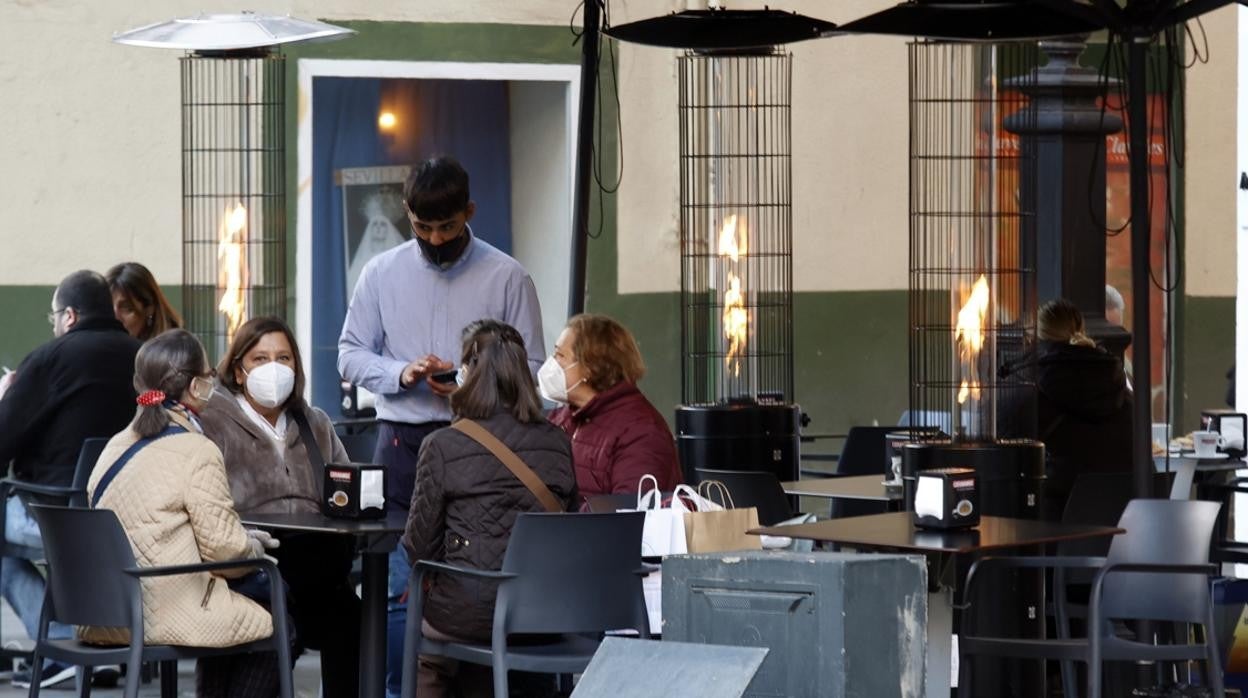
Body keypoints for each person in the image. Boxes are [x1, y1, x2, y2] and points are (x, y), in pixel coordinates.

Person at [338, 156, 545, 697]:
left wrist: (474, 386)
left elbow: (537, 369)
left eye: (446, 227)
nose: (434, 238)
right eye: (422, 226)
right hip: (403, 447)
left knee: (475, 586)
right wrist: (400, 372)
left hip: (485, 448)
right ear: (406, 213)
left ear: (469, 212)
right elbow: (349, 354)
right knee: (399, 590)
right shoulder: (380, 273)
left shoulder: (507, 276)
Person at [85, 329, 280, 697]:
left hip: (102, 612)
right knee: (278, 609)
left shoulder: (112, 447)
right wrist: (253, 547)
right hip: (165, 611)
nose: (211, 381)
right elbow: (226, 555)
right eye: (207, 374)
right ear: (194, 387)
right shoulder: (196, 450)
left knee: (240, 610)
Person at [402, 319, 576, 697]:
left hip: (472, 612)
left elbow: (419, 547)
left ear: (467, 373)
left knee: (432, 646)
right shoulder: (558, 441)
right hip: (547, 613)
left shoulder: (443, 445)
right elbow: (569, 523)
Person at [199, 316, 360, 697]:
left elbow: (346, 487)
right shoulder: (211, 424)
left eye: (284, 358)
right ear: (239, 371)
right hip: (251, 568)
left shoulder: (315, 423)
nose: (273, 368)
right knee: (276, 631)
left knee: (357, 622)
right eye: (260, 359)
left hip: (317, 565)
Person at [0, 270, 140, 689]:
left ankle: (64, 647)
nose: (55, 325)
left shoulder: (49, 359)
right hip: (127, 522)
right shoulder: (142, 356)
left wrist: (10, 394)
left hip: (56, 516)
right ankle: (98, 647)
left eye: (55, 316)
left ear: (71, 316)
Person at [545, 314, 682, 503]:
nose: (551, 363)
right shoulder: (562, 417)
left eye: (560, 355)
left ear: (590, 367)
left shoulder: (641, 432)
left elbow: (629, 512)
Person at [1032, 299, 1133, 518]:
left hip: (1058, 531)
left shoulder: (1034, 396)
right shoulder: (1122, 391)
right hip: (1126, 530)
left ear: (1037, 340)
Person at [347, 190, 407, 295]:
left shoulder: (398, 257)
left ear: (388, 229)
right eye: (375, 224)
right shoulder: (362, 259)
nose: (378, 228)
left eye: (383, 224)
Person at [106, 261, 183, 341]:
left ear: (150, 309)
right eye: (107, 306)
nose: (114, 317)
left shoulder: (174, 349)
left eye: (126, 308)